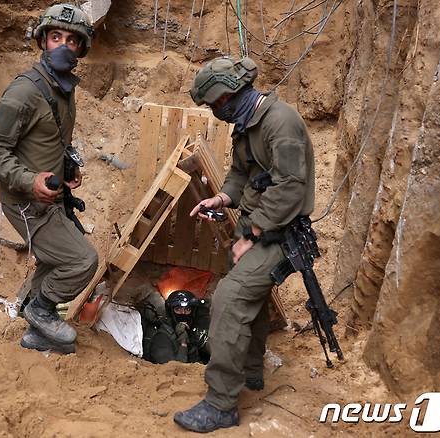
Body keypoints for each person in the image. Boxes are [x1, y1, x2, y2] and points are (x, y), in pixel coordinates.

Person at [173, 56, 315, 433]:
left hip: (279, 234)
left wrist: (252, 236)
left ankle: (221, 404)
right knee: (246, 302)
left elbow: (290, 189)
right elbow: (241, 174)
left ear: (229, 94)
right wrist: (221, 200)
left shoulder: (280, 122)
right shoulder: (247, 123)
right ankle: (252, 371)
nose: (216, 111)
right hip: (255, 227)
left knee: (230, 298)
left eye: (215, 104)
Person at [0, 4, 98, 355]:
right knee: (82, 261)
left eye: (72, 41)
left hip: (50, 197)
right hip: (26, 201)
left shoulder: (62, 88)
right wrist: (30, 181)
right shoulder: (24, 92)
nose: (63, 46)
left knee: (54, 260)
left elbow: (48, 138)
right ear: (43, 41)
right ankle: (40, 310)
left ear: (81, 48)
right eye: (56, 37)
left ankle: (36, 335)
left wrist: (66, 167)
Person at [141, 290, 210, 365]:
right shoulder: (162, 337)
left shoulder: (190, 332)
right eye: (178, 309)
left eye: (187, 310)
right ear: (171, 312)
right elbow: (173, 370)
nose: (183, 313)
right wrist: (183, 343)